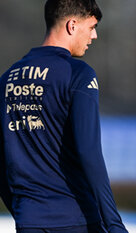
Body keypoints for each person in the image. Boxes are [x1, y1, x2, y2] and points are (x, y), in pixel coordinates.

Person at [0, 0, 128, 232]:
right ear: (72, 25)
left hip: (28, 220)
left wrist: (23, 213)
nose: (94, 36)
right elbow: (89, 153)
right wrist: (114, 224)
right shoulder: (78, 74)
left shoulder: (6, 79)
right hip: (76, 219)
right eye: (91, 27)